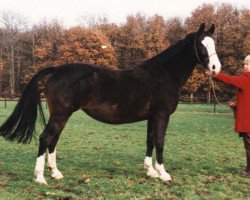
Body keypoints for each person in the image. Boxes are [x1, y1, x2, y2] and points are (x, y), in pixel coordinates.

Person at [208, 55, 250, 178]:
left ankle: (249, 171)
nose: (244, 66)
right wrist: (237, 105)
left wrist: (215, 74)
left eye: (247, 64)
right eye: (244, 64)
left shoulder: (246, 79)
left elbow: (229, 80)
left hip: (248, 121)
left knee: (248, 146)